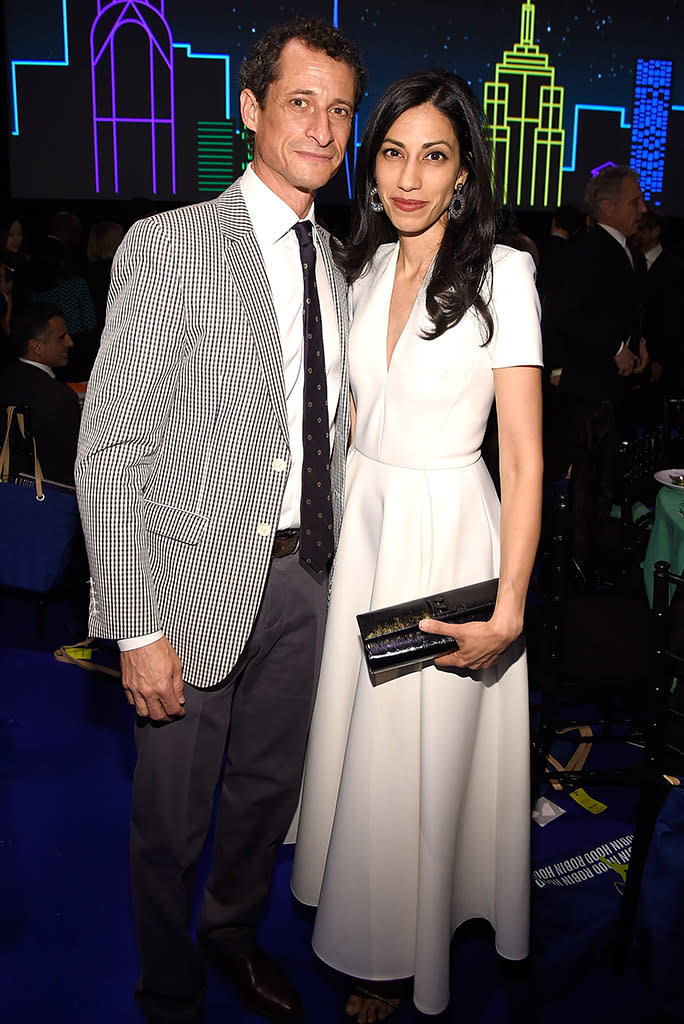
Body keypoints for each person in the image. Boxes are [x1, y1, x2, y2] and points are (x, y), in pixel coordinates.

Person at [75, 17, 365, 1024]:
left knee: (262, 798)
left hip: (306, 583)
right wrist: (136, 622)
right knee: (171, 822)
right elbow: (110, 449)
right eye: (300, 102)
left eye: (339, 110)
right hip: (188, 589)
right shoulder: (172, 246)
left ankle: (231, 934)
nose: (323, 128)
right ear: (251, 110)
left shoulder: (336, 263)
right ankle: (167, 987)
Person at [291, 70, 543, 1021]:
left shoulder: (504, 274)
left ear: (464, 172)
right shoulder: (357, 268)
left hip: (448, 535)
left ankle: (403, 955)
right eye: (392, 152)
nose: (408, 176)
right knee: (371, 750)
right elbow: (345, 420)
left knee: (419, 759)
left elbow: (522, 454)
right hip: (367, 529)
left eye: (433, 155)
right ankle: (367, 929)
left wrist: (510, 606)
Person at [0, 304, 80, 486]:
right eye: (61, 338)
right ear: (36, 346)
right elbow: (74, 464)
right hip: (50, 497)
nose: (70, 342)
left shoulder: (5, 381)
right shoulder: (59, 397)